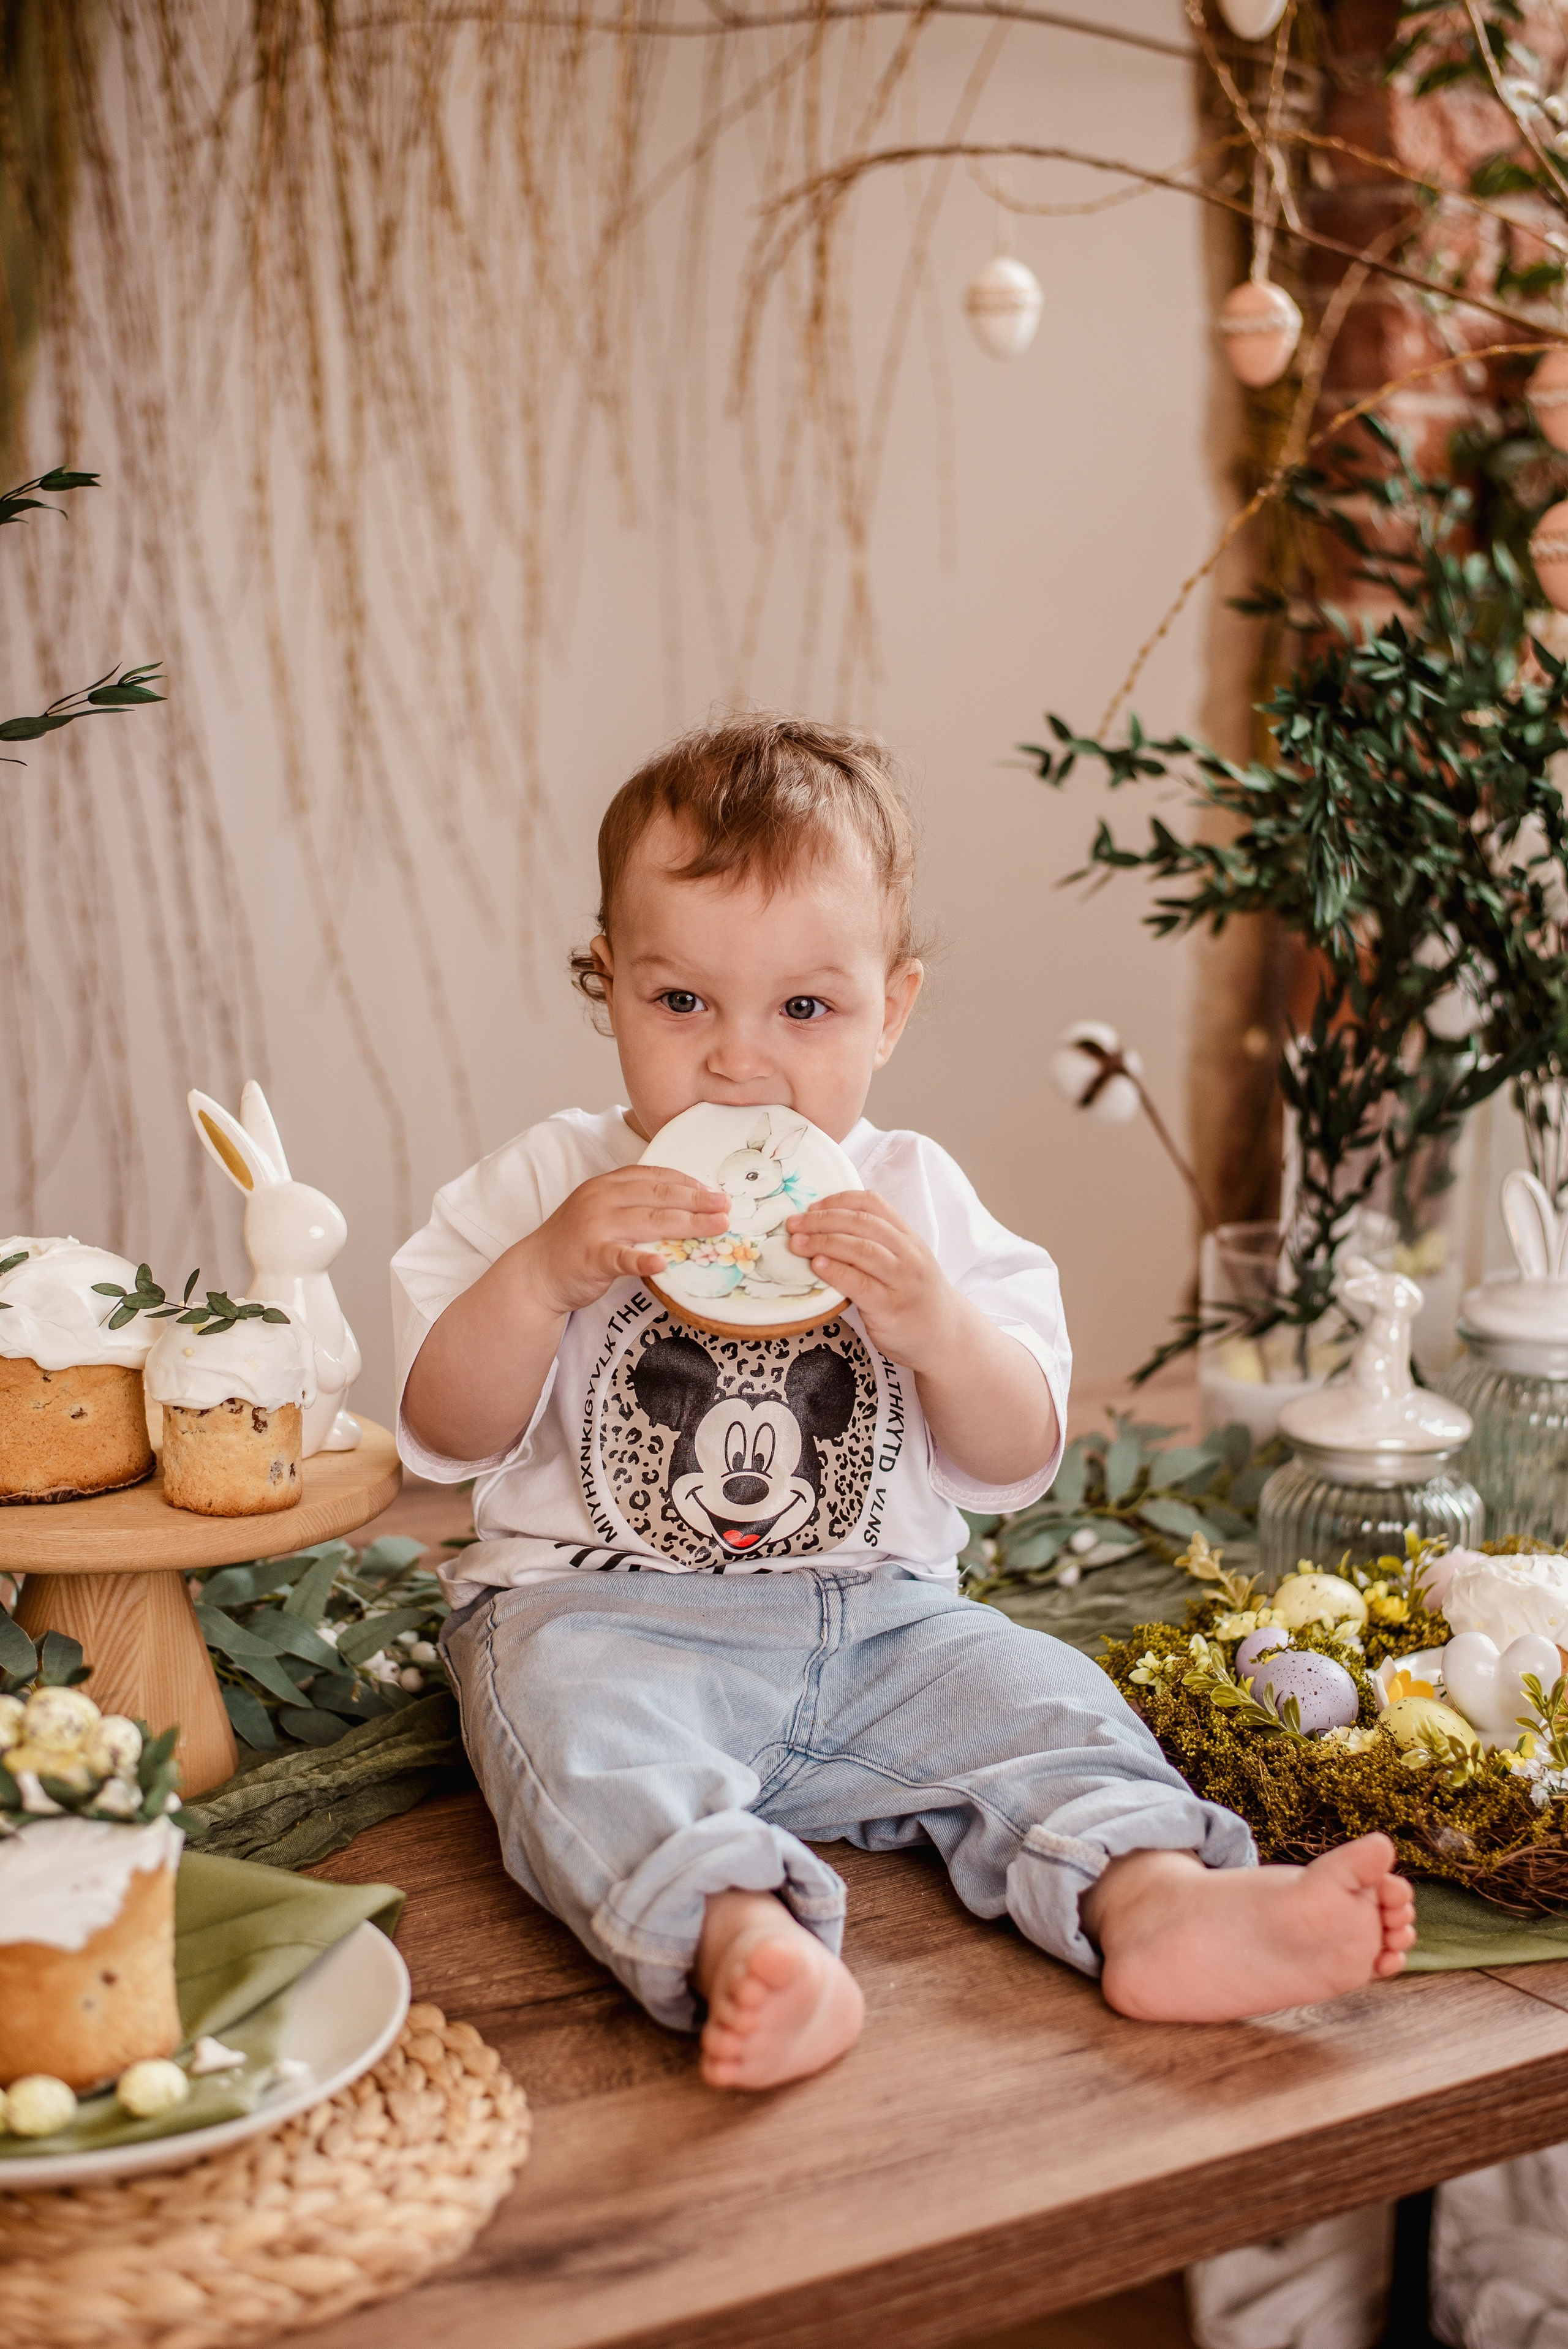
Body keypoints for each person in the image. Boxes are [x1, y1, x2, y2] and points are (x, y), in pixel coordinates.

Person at [393, 714, 1416, 2092]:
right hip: (604, 1615)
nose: (737, 1064)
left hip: (883, 1626)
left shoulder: (916, 1197)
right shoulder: (547, 1185)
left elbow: (1015, 1458)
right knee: (570, 1734)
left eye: (804, 1009)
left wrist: (936, 1324)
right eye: (679, 1001)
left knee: (1045, 1698)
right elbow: (443, 1432)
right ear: (609, 981)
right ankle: (741, 1935)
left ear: (894, 1007)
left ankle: (1155, 1899)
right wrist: (535, 1280)